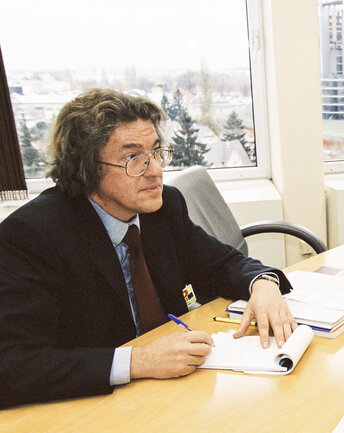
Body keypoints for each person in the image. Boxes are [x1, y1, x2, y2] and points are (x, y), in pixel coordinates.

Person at [0, 88, 298, 409]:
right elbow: (12, 366)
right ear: (85, 167)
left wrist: (263, 285)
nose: (155, 170)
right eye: (133, 158)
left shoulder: (164, 206)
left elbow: (221, 262)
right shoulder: (32, 235)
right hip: (91, 409)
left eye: (156, 152)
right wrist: (138, 361)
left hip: (174, 393)